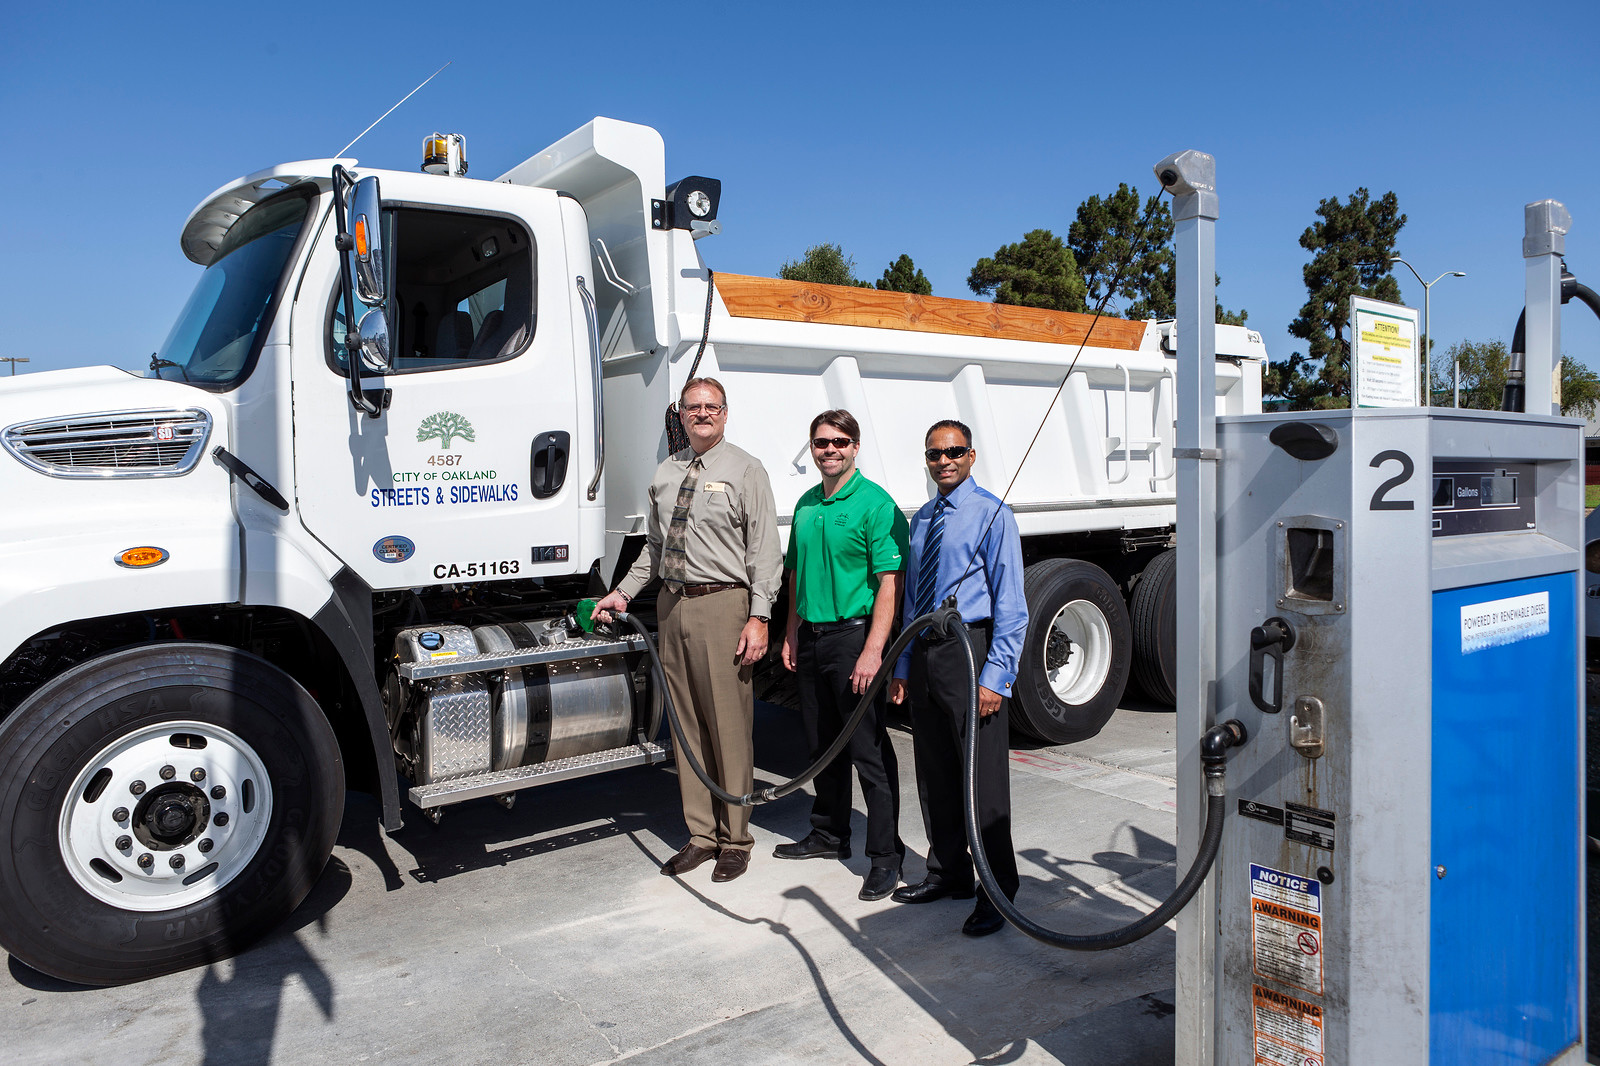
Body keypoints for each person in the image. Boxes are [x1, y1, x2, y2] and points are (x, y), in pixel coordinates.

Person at [593, 378, 781, 884]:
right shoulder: (666, 471)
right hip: (674, 606)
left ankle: (736, 838)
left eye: (711, 407)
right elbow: (654, 549)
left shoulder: (746, 469)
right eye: (693, 407)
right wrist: (624, 592)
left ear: (725, 413)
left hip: (725, 605)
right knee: (686, 723)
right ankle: (701, 835)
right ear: (681, 414)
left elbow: (765, 554)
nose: (702, 414)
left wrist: (759, 617)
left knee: (729, 726)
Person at [887, 419, 1027, 936]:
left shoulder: (993, 514)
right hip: (925, 653)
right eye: (934, 454)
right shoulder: (922, 519)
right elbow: (909, 603)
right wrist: (903, 666)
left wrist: (996, 677)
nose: (943, 461)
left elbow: (1012, 606)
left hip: (971, 651)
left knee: (981, 780)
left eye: (954, 452)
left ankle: (998, 888)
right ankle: (948, 873)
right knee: (935, 771)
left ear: (971, 455)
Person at [772, 410, 908, 901]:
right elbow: (794, 577)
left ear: (855, 447)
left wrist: (875, 650)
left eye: (840, 442)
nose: (830, 450)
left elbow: (889, 584)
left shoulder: (876, 504)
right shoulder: (807, 504)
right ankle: (829, 834)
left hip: (855, 639)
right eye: (821, 443)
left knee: (867, 750)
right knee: (821, 743)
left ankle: (885, 857)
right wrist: (790, 633)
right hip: (810, 638)